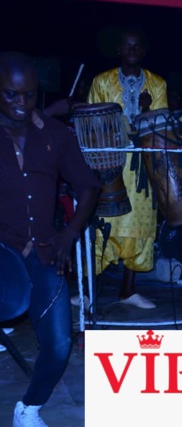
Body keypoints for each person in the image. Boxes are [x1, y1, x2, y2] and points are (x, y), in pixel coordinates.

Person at [0, 52, 100, 427]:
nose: (22, 104)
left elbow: (88, 187)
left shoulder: (55, 135)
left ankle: (28, 409)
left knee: (59, 345)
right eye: (11, 94)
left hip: (43, 251)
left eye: (29, 95)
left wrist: (69, 234)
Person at [86, 26, 168, 309]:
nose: (132, 50)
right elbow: (91, 123)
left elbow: (160, 127)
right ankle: (89, 292)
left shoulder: (157, 84)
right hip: (110, 166)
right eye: (127, 45)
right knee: (103, 226)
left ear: (144, 51)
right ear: (119, 49)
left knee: (140, 226)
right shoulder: (101, 82)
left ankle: (128, 290)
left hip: (143, 168)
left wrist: (146, 110)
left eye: (137, 45)